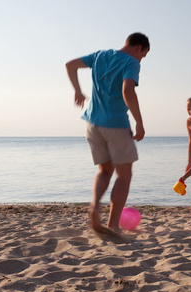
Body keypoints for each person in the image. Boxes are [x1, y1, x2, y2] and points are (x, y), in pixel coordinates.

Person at [65, 33, 150, 238]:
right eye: (143, 56)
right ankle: (113, 225)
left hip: (92, 124)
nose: (141, 60)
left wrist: (78, 90)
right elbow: (128, 90)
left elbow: (70, 65)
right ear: (139, 47)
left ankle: (94, 207)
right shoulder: (131, 62)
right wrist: (139, 122)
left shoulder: (100, 55)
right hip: (116, 125)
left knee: (105, 171)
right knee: (124, 175)